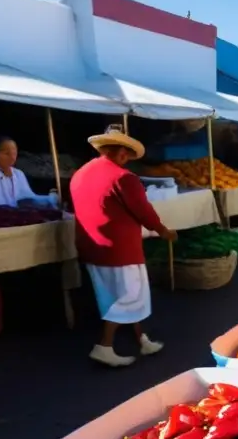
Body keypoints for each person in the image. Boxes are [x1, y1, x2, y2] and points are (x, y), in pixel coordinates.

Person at [70, 125, 176, 367]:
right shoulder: (123, 177)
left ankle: (141, 338)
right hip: (120, 250)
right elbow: (144, 211)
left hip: (91, 247)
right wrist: (163, 231)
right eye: (125, 153)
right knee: (129, 296)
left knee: (111, 297)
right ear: (118, 151)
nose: (126, 159)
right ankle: (104, 346)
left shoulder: (80, 174)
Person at [0, 136, 58, 208]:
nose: (12, 157)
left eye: (14, 153)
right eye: (7, 153)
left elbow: (28, 198)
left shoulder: (19, 174)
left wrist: (49, 198)